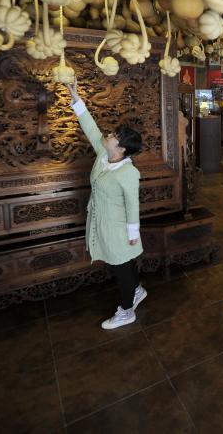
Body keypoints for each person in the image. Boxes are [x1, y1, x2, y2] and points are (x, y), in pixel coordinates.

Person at [66, 76, 146, 330]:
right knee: (123, 264)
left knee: (120, 266)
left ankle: (126, 311)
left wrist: (132, 233)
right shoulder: (103, 154)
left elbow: (133, 204)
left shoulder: (128, 172)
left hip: (118, 228)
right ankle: (136, 291)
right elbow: (90, 127)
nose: (108, 134)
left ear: (121, 149)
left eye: (113, 135)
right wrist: (76, 97)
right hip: (101, 220)